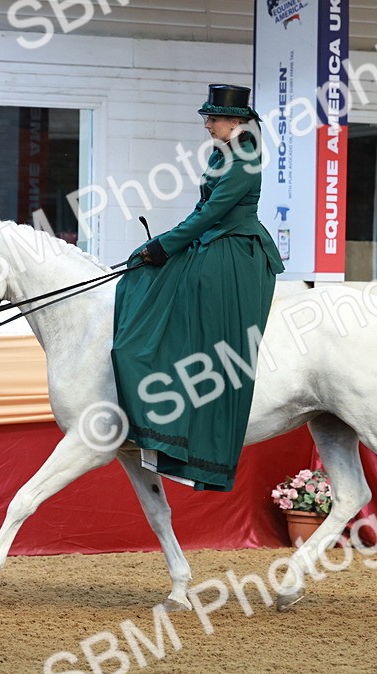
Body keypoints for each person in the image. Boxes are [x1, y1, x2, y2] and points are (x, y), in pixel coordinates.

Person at [111, 84, 284, 491]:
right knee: (144, 271)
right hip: (213, 240)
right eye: (207, 117)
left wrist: (166, 244)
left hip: (235, 254)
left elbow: (213, 213)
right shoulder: (222, 151)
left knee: (175, 286)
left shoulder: (245, 156)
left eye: (214, 118)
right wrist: (161, 245)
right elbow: (202, 211)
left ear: (237, 121)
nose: (208, 124)